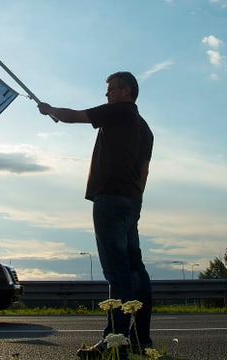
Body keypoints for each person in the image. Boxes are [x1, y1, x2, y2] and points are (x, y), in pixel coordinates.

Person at [37, 71, 154, 359]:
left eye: (112, 89)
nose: (107, 94)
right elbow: (144, 171)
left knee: (118, 271)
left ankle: (114, 342)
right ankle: (140, 339)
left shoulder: (119, 112)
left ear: (127, 91)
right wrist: (136, 200)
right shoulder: (145, 127)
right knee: (136, 270)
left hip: (111, 200)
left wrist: (50, 110)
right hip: (130, 200)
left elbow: (77, 116)